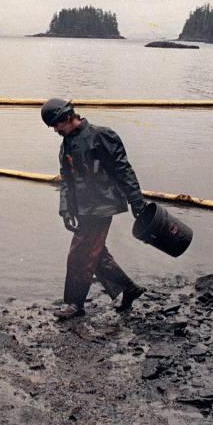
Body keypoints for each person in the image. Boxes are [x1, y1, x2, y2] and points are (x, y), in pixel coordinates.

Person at [42, 97, 148, 320]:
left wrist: (137, 203)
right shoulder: (66, 145)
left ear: (67, 117)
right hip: (82, 209)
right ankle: (129, 288)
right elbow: (67, 181)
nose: (55, 130)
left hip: (102, 206)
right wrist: (65, 210)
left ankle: (75, 304)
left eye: (56, 125)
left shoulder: (102, 136)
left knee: (79, 254)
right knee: (95, 253)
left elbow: (123, 171)